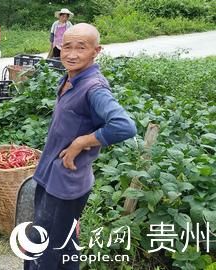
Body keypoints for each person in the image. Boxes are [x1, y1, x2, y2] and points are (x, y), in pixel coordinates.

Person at [25, 23, 137, 270]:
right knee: (64, 244)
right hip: (51, 175)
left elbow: (124, 125)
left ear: (96, 51)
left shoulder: (93, 87)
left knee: (44, 249)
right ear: (58, 47)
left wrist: (82, 141)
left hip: (65, 183)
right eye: (67, 46)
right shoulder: (70, 79)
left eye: (81, 48)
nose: (72, 54)